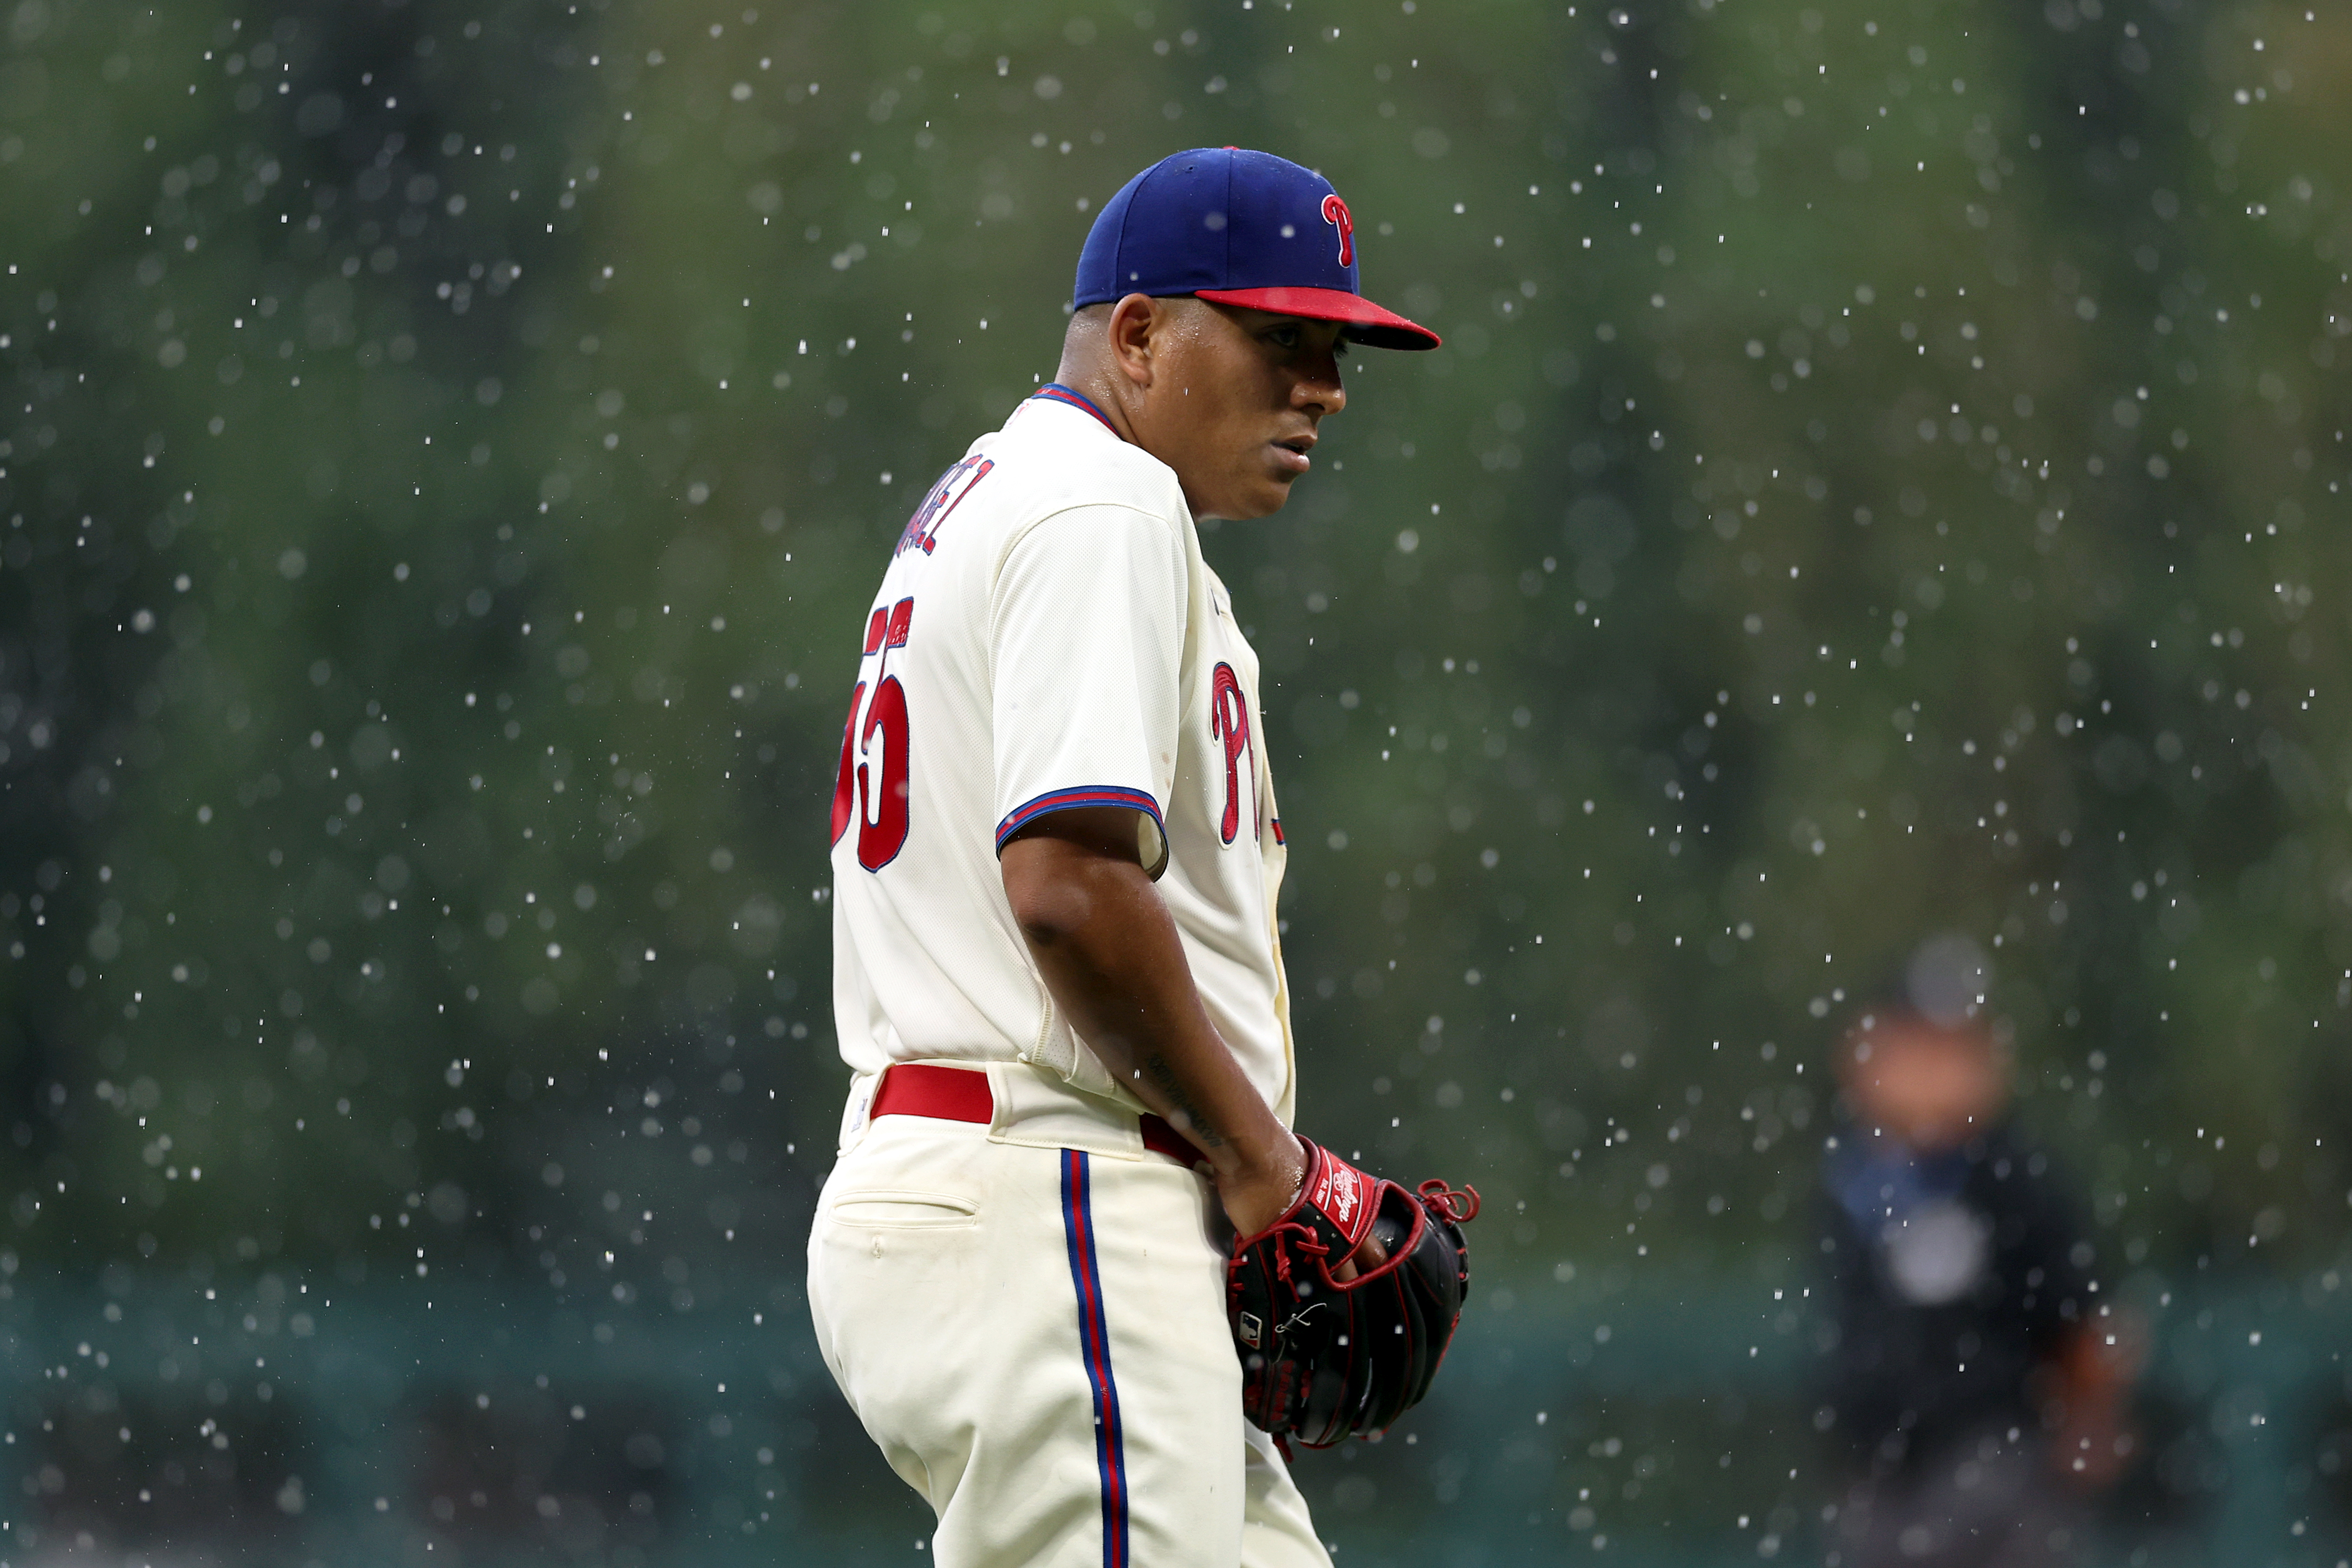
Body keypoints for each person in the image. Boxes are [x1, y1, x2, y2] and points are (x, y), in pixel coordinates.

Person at [805, 148, 1439, 1568]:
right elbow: (1069, 886)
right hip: (1053, 1186)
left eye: (1333, 352)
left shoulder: (1012, 492)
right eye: (1280, 341)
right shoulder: (1102, 504)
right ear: (1140, 334)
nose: (1323, 389)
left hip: (1031, 1187)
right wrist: (1266, 1161)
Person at [1815, 940, 2139, 1567]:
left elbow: (2082, 1327)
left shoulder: (2011, 1176)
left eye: (1958, 1049)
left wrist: (2088, 1423)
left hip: (1993, 1464)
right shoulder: (1853, 1175)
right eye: (1922, 1048)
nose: (1939, 1071)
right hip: (1882, 1473)